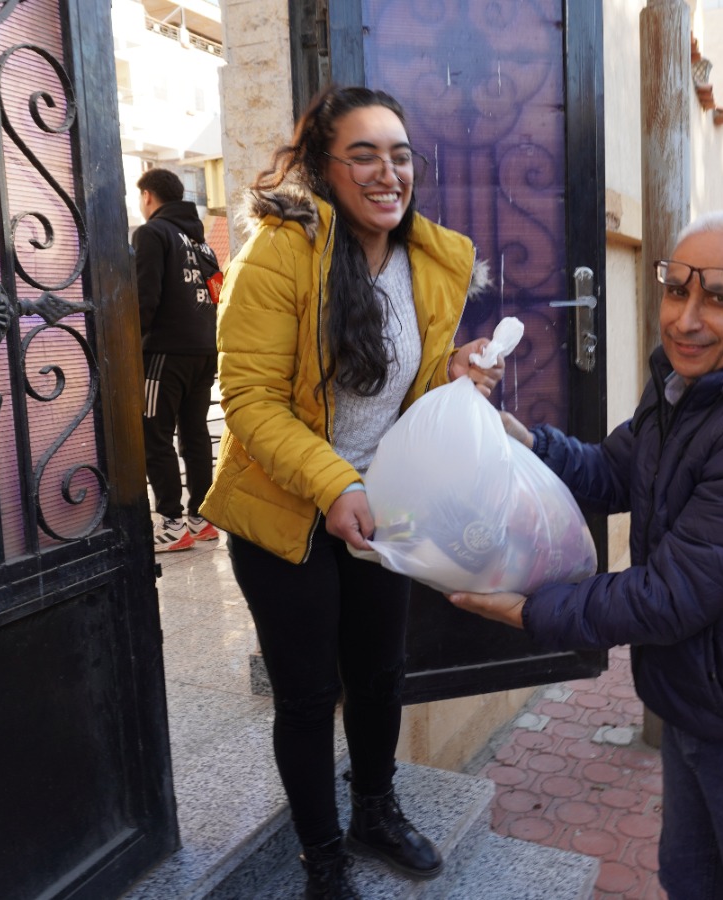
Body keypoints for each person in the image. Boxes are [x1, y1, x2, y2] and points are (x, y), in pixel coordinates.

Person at [450, 211, 723, 900]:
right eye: (676, 290)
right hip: (703, 701)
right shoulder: (688, 389)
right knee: (692, 882)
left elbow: (670, 595)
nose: (686, 318)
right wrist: (519, 438)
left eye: (719, 296)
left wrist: (533, 612)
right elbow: (613, 472)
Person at [199, 85, 504, 899]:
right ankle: (322, 858)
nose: (386, 172)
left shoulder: (431, 261)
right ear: (325, 168)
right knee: (307, 695)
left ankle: (375, 810)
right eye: (363, 154)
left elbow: (397, 388)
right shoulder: (281, 253)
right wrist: (334, 483)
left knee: (380, 673)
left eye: (400, 154)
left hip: (383, 500)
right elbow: (251, 400)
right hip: (286, 511)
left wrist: (456, 373)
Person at [133, 167, 220, 551]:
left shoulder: (152, 233)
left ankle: (170, 523)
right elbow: (218, 295)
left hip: (165, 352)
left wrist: (131, 347)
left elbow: (144, 297)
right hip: (204, 351)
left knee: (154, 434)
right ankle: (202, 519)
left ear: (148, 196)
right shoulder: (204, 245)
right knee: (195, 433)